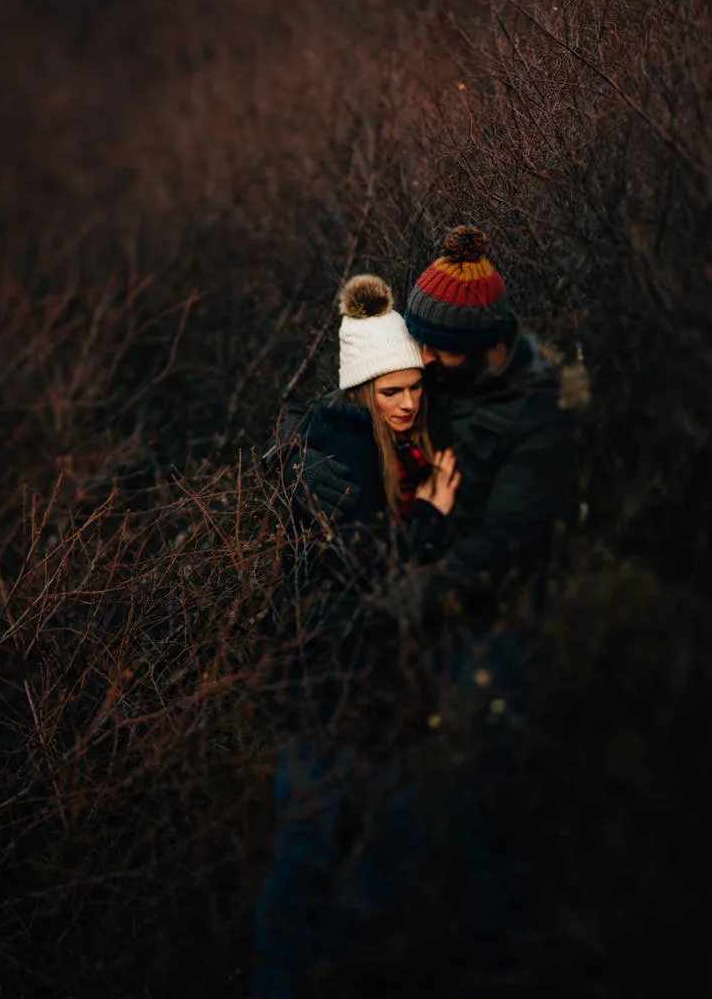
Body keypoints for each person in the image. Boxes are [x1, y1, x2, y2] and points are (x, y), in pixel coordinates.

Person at [290, 225, 584, 993]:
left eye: (432, 349)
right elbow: (361, 392)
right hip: (408, 598)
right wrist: (305, 450)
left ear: (481, 344)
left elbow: (501, 546)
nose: (417, 357)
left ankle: (494, 958)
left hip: (487, 618)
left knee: (477, 795)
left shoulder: (539, 412)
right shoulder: (430, 361)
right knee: (375, 799)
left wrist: (400, 599)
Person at [251, 273, 460, 999]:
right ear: (361, 389)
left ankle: (326, 970)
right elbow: (357, 564)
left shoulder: (400, 453)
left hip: (379, 691)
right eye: (390, 391)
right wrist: (429, 521)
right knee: (307, 854)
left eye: (414, 389)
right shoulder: (327, 454)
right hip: (318, 688)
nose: (406, 403)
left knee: (393, 847)